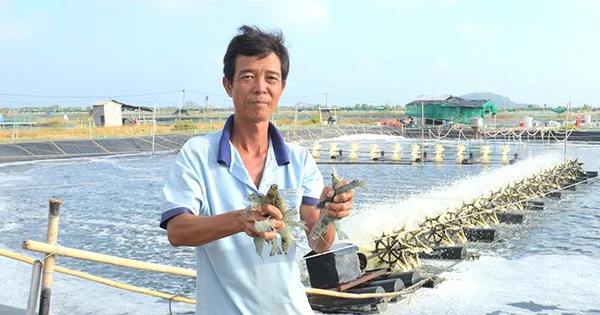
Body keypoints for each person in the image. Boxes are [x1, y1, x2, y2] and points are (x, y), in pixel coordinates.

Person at [160, 25, 354, 315]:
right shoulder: (198, 153)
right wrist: (241, 220)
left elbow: (319, 242)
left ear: (282, 87)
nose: (260, 87)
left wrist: (328, 215)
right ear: (228, 85)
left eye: (271, 78)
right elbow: (177, 231)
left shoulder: (299, 160)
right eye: (248, 76)